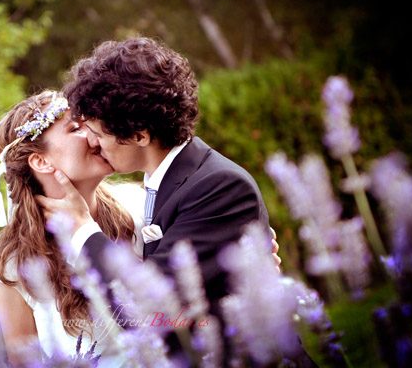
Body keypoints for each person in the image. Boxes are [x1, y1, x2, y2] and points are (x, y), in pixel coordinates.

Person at [37, 37, 310, 365]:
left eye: (97, 132)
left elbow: (146, 309)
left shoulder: (218, 187)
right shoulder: (163, 183)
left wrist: (82, 228)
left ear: (140, 135)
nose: (91, 143)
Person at [0, 90, 145, 366]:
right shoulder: (13, 263)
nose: (94, 132)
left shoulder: (138, 206)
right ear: (41, 161)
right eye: (75, 128)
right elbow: (24, 362)